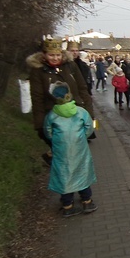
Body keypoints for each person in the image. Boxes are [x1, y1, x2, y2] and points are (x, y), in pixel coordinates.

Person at [27, 38, 95, 164]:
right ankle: (65, 178)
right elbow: (37, 99)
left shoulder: (70, 66)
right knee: (64, 155)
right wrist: (40, 125)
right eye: (51, 55)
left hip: (76, 115)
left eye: (58, 55)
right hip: (55, 118)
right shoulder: (38, 71)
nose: (55, 58)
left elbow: (82, 89)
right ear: (44, 55)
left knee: (78, 152)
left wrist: (89, 114)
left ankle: (82, 181)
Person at [43, 82, 98, 217]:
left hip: (61, 149)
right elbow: (89, 127)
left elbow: (47, 132)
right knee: (82, 170)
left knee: (64, 173)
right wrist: (81, 137)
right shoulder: (80, 111)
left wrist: (57, 141)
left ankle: (67, 205)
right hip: (79, 147)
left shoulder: (51, 115)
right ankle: (87, 201)